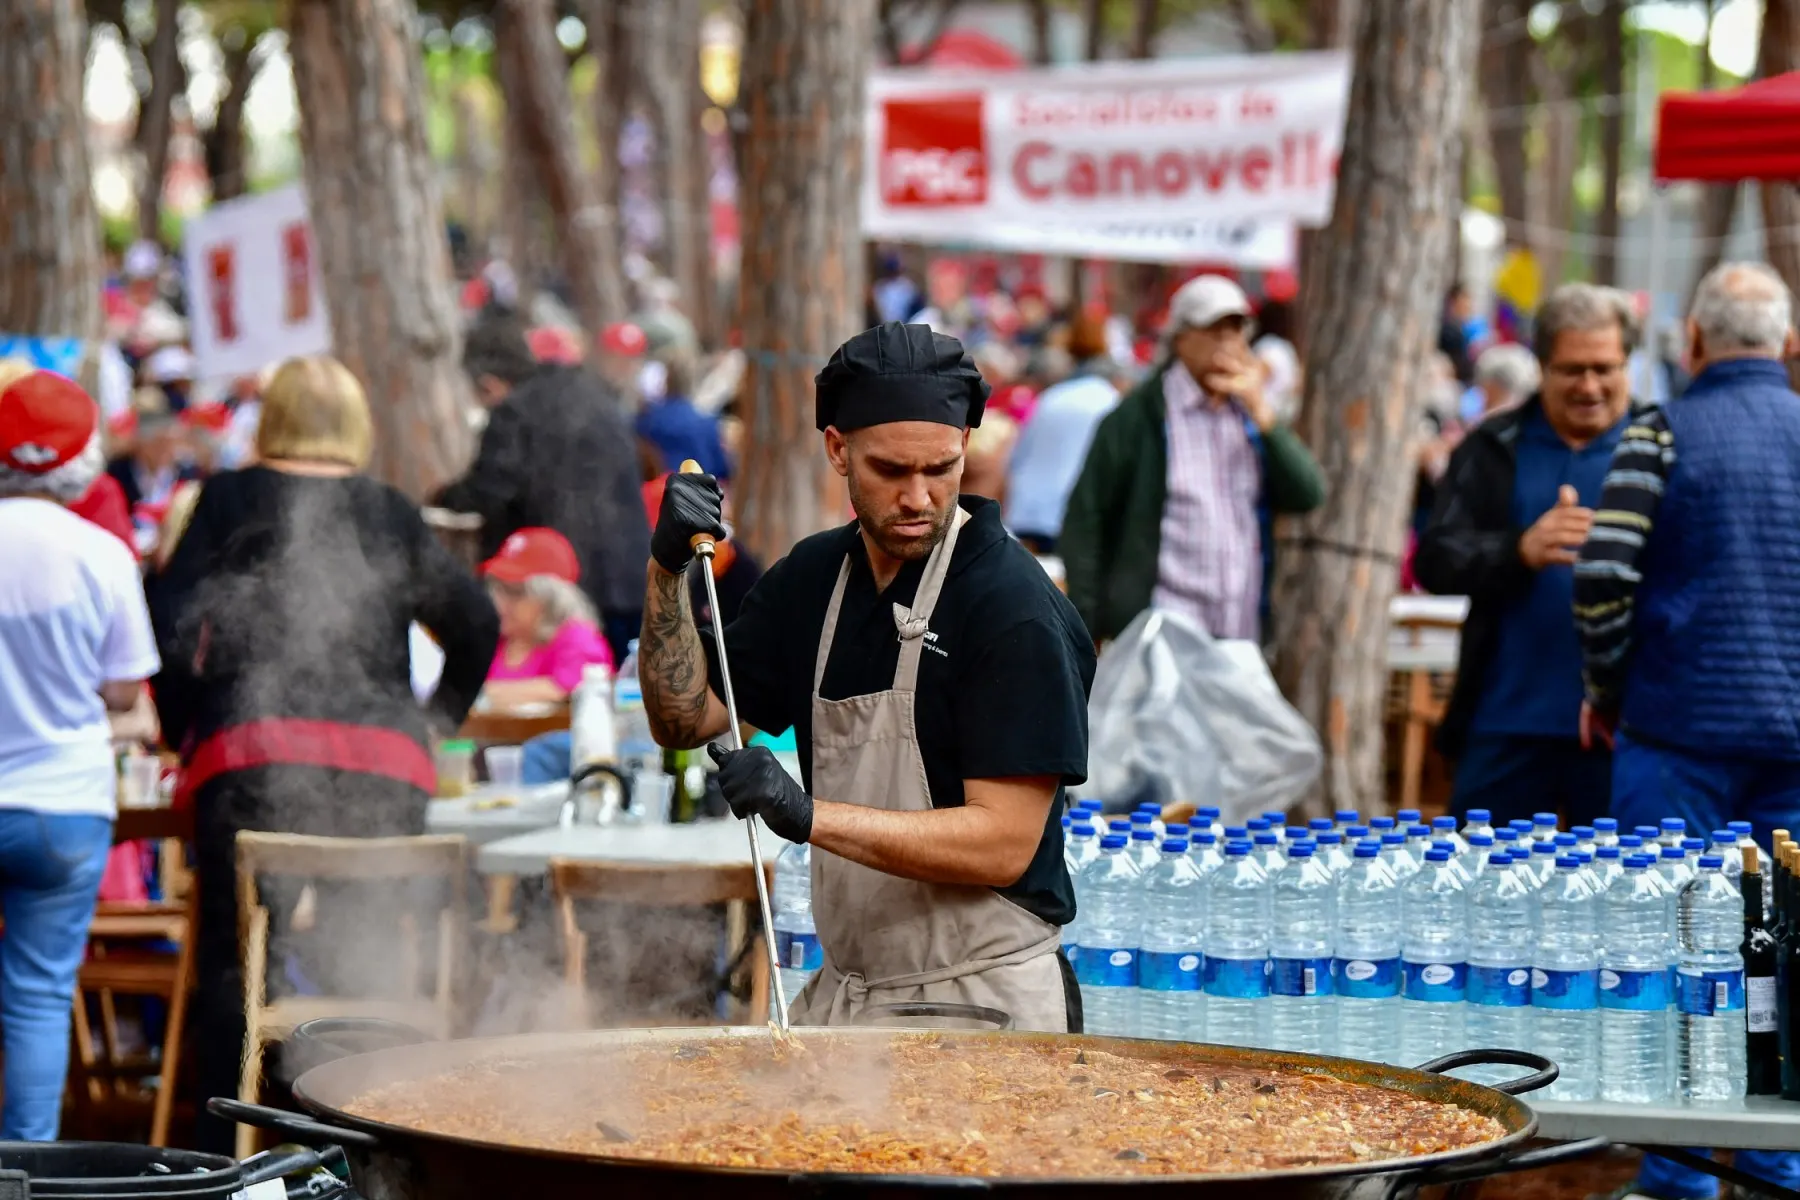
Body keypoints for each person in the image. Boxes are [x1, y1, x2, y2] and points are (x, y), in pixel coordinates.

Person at [639, 322, 1095, 1032]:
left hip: (985, 1007)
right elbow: (685, 719)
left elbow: (1004, 844)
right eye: (891, 470)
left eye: (940, 469)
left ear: (965, 449)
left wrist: (809, 816)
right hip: (855, 997)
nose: (919, 497)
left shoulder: (1013, 609)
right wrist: (666, 571)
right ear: (838, 451)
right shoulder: (813, 580)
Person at [147, 355, 497, 1153]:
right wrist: (430, 725)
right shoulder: (387, 508)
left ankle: (222, 1162)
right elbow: (475, 620)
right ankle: (358, 1150)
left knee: (234, 968)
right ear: (355, 424)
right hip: (382, 770)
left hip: (249, 760)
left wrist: (187, 726)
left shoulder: (225, 498)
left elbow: (167, 629)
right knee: (361, 963)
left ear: (271, 417)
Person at [1574, 266, 1800, 1200]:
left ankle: (1677, 1174)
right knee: (1791, 954)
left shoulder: (1659, 432)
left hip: (1677, 738)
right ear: (1785, 347)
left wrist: (1610, 687)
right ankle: (1780, 1162)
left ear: (1694, 344)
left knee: (1682, 951)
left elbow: (1601, 577)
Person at [1415, 283, 1643, 829]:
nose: (1589, 385)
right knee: (1480, 895)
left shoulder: (1656, 445)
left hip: (1627, 726)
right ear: (1542, 366)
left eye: (1604, 368)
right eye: (1571, 369)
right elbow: (1435, 558)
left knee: (1623, 903)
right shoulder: (1494, 444)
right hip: (1504, 721)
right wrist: (1517, 550)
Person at [0, 370, 159, 1140]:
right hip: (66, 801)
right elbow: (127, 691)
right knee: (37, 994)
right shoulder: (102, 554)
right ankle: (23, 1169)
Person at [1059, 274, 1325, 645]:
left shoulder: (1250, 417)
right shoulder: (1137, 418)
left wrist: (1264, 413)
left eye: (1236, 332)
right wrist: (1088, 624)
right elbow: (1086, 521)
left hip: (1238, 632)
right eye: (1215, 331)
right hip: (1160, 629)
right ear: (1180, 338)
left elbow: (1307, 493)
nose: (1228, 344)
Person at [436, 316, 652, 663]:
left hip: (569, 589)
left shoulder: (515, 411)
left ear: (490, 385)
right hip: (632, 576)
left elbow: (489, 490)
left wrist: (442, 500)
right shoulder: (595, 393)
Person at [1002, 312, 1119, 554]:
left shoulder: (1051, 398)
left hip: (1029, 515)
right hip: (1070, 518)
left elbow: (1017, 458)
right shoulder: (1109, 401)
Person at [481, 526, 614, 708]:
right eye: (497, 589)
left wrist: (481, 693)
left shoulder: (577, 638)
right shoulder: (493, 639)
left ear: (551, 599)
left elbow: (567, 688)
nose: (500, 603)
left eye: (514, 593)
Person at [634, 351, 729, 479]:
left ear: (666, 380)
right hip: (695, 493)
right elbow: (721, 468)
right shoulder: (706, 424)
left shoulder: (645, 420)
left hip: (654, 492)